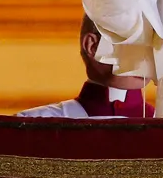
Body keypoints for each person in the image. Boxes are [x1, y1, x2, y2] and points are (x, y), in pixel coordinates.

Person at [18, 16, 153, 118]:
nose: (146, 58)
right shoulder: (33, 125)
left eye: (153, 45)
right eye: (134, 43)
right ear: (92, 46)